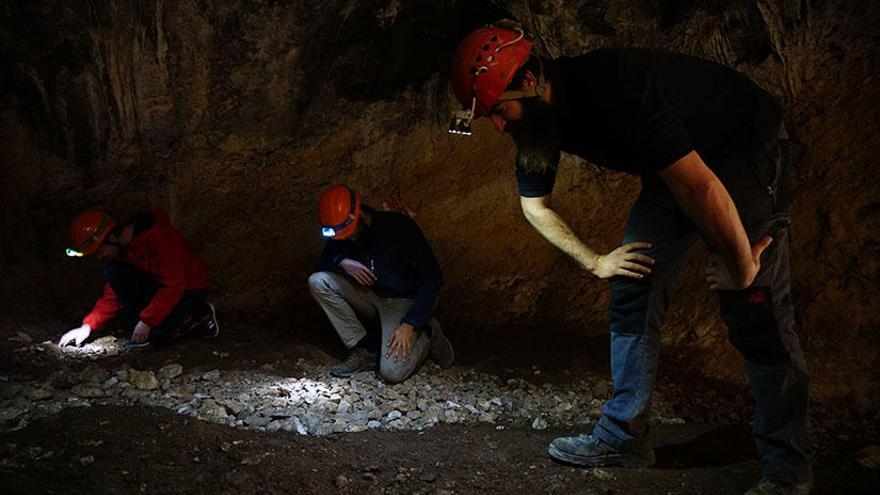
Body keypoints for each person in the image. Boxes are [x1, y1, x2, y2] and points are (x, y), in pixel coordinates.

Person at [449, 21, 812, 495]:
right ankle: (623, 438)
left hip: (742, 153)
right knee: (632, 280)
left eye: (499, 111)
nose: (498, 125)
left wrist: (744, 266)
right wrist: (595, 260)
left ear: (531, 82)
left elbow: (700, 186)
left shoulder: (616, 90)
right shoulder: (538, 122)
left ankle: (787, 469)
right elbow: (533, 205)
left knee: (754, 304)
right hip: (674, 170)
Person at [308, 184, 454, 383]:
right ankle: (366, 348)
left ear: (359, 216)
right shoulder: (342, 232)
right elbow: (323, 262)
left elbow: (433, 278)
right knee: (318, 281)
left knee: (392, 373)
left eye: (349, 234)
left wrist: (410, 323)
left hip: (401, 303)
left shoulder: (398, 228)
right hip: (370, 295)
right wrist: (342, 262)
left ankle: (427, 332)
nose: (347, 239)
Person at [58, 208, 219, 349]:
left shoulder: (161, 237)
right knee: (114, 272)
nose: (100, 257)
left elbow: (175, 285)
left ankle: (201, 314)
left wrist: (147, 321)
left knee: (158, 338)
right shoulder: (124, 253)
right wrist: (88, 326)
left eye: (100, 252)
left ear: (112, 238)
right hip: (161, 292)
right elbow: (112, 296)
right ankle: (166, 322)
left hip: (188, 291)